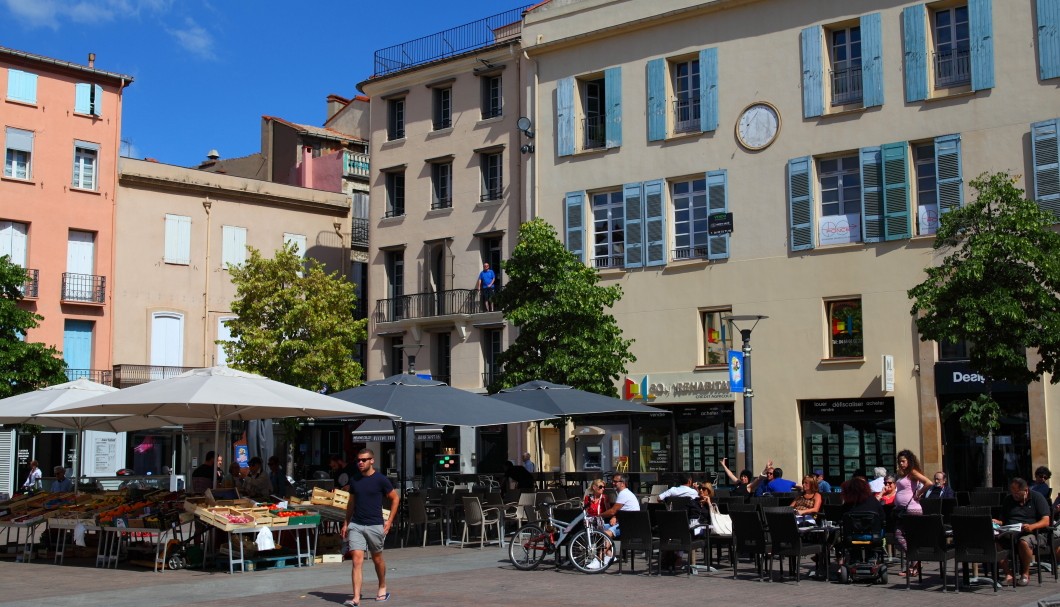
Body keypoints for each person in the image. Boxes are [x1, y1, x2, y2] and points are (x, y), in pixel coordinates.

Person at [341, 449, 399, 606]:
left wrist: (389, 520)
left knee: (377, 558)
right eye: (358, 460)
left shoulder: (381, 480)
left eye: (364, 460)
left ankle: (382, 585)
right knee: (356, 560)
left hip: (375, 524)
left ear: (372, 461)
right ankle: (356, 598)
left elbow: (395, 498)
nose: (360, 462)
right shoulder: (355, 480)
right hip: (357, 525)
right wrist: (346, 522)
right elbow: (351, 502)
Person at [996, 477, 1051, 586]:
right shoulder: (1009, 500)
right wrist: (997, 522)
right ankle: (1008, 574)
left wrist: (1032, 526)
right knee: (995, 542)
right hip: (1011, 532)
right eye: (1012, 493)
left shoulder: (1036, 497)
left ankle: (1025, 574)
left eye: (1017, 493)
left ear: (1025, 491)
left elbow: (1046, 521)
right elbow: (1004, 520)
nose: (1014, 495)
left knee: (1024, 542)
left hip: (1034, 533)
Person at [894, 449, 933, 577]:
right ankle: (914, 565)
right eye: (899, 461)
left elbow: (928, 482)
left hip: (912, 508)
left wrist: (919, 493)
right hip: (903, 510)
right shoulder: (903, 474)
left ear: (909, 461)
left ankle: (915, 562)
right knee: (905, 537)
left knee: (901, 535)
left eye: (903, 461)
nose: (901, 464)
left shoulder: (912, 472)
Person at [599, 473, 640, 540]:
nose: (613, 483)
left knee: (606, 534)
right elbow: (623, 510)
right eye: (613, 481)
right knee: (598, 528)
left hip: (628, 525)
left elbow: (612, 511)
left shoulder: (624, 493)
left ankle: (603, 550)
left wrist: (598, 516)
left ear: (623, 483)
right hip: (623, 522)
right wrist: (615, 517)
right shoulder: (623, 493)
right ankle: (608, 550)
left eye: (615, 481)